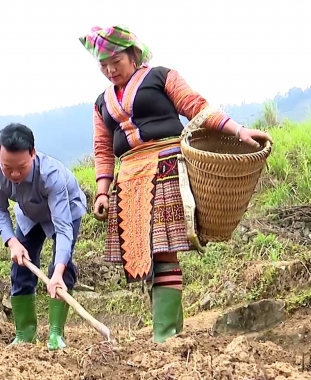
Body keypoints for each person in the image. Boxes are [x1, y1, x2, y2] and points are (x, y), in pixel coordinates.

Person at [79, 25, 273, 343]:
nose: (110, 70)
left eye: (116, 61)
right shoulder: (101, 103)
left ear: (133, 54)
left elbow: (196, 107)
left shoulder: (161, 77)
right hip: (128, 179)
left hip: (165, 168)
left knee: (165, 252)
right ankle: (169, 331)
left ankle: (165, 335)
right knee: (145, 257)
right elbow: (102, 148)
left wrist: (239, 131)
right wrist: (102, 191)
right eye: (103, 65)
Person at [0, 123, 88, 351]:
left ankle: (56, 334)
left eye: (21, 168)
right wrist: (12, 242)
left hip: (65, 212)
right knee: (21, 267)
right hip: (29, 214)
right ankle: (24, 334)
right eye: (7, 167)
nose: (14, 174)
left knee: (60, 269)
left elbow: (63, 228)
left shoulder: (51, 176)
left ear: (33, 154)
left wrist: (59, 273)